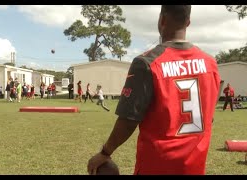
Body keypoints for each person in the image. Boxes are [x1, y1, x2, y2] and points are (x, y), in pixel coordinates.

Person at [87, 5, 221, 175]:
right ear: (188, 22)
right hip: (194, 167)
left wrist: (105, 152)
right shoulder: (210, 64)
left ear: (162, 20)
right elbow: (209, 118)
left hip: (156, 165)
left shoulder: (147, 62)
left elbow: (128, 120)